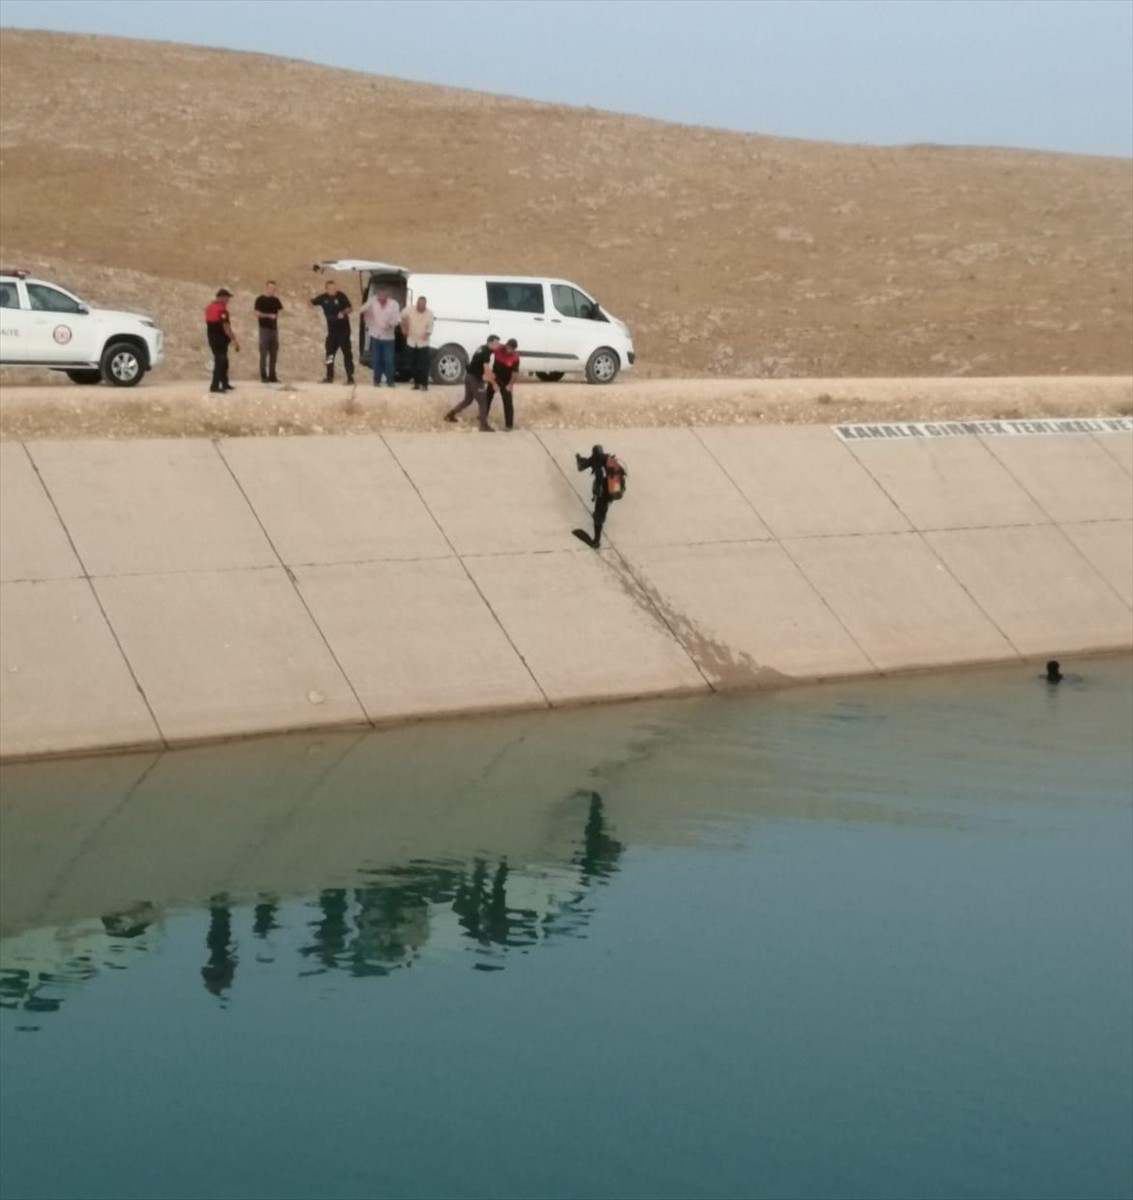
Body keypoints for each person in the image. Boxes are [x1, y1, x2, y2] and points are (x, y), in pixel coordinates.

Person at [572, 444, 628, 548]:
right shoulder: (609, 459)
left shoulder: (594, 459)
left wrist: (578, 458)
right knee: (604, 505)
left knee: (599, 514)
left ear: (593, 453)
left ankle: (596, 541)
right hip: (613, 491)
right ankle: (601, 515)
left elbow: (580, 467)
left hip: (603, 493)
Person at [444, 335, 499, 431]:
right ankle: (484, 426)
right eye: (496, 343)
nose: (498, 345)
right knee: (483, 401)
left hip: (469, 376)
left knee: (468, 400)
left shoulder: (483, 348)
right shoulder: (485, 353)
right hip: (475, 379)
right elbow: (486, 371)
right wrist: (494, 383)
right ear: (490, 343)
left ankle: (450, 415)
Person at [310, 278, 354, 383]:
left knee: (347, 354)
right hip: (332, 332)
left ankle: (350, 377)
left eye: (334, 288)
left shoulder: (341, 296)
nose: (333, 290)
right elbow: (312, 302)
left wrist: (343, 312)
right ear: (326, 289)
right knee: (329, 354)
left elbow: (350, 308)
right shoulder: (323, 298)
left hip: (343, 331)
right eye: (330, 289)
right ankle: (329, 377)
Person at [360, 287, 400, 387]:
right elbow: (362, 308)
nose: (380, 298)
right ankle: (376, 381)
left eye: (383, 296)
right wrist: (366, 311)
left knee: (388, 360)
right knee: (376, 360)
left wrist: (390, 325)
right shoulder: (373, 300)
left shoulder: (394, 304)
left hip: (388, 338)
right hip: (375, 336)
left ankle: (390, 381)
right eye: (379, 296)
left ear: (387, 296)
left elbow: (397, 319)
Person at [204, 287, 239, 393]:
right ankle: (214, 386)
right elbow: (226, 327)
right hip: (219, 338)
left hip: (212, 337)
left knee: (223, 361)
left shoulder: (209, 307)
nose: (228, 300)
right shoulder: (221, 310)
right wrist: (234, 340)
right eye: (227, 298)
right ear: (222, 297)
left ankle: (224, 383)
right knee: (221, 361)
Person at [401, 295, 435, 391]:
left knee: (423, 365)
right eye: (419, 304)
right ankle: (416, 383)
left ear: (425, 305)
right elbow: (402, 316)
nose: (420, 306)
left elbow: (430, 327)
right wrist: (404, 326)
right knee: (412, 364)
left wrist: (427, 334)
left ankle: (424, 385)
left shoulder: (429, 314)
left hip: (423, 343)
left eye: (422, 305)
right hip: (411, 341)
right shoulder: (409, 310)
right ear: (417, 304)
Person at [485, 337, 520, 430]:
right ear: (506, 345)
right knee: (487, 398)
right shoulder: (498, 348)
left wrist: (510, 385)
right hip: (495, 378)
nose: (509, 350)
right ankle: (482, 419)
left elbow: (515, 374)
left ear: (514, 349)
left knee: (508, 402)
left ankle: (509, 425)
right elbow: (488, 348)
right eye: (508, 347)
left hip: (506, 381)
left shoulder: (515, 358)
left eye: (511, 349)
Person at [253, 280, 283, 383]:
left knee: (274, 354)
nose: (272, 290)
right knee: (264, 353)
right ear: (266, 288)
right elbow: (256, 313)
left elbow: (279, 311)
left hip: (274, 329)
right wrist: (268, 315)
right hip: (264, 329)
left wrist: (275, 317)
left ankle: (272, 376)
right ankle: (263, 376)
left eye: (274, 289)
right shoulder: (260, 299)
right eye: (270, 288)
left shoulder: (276, 300)